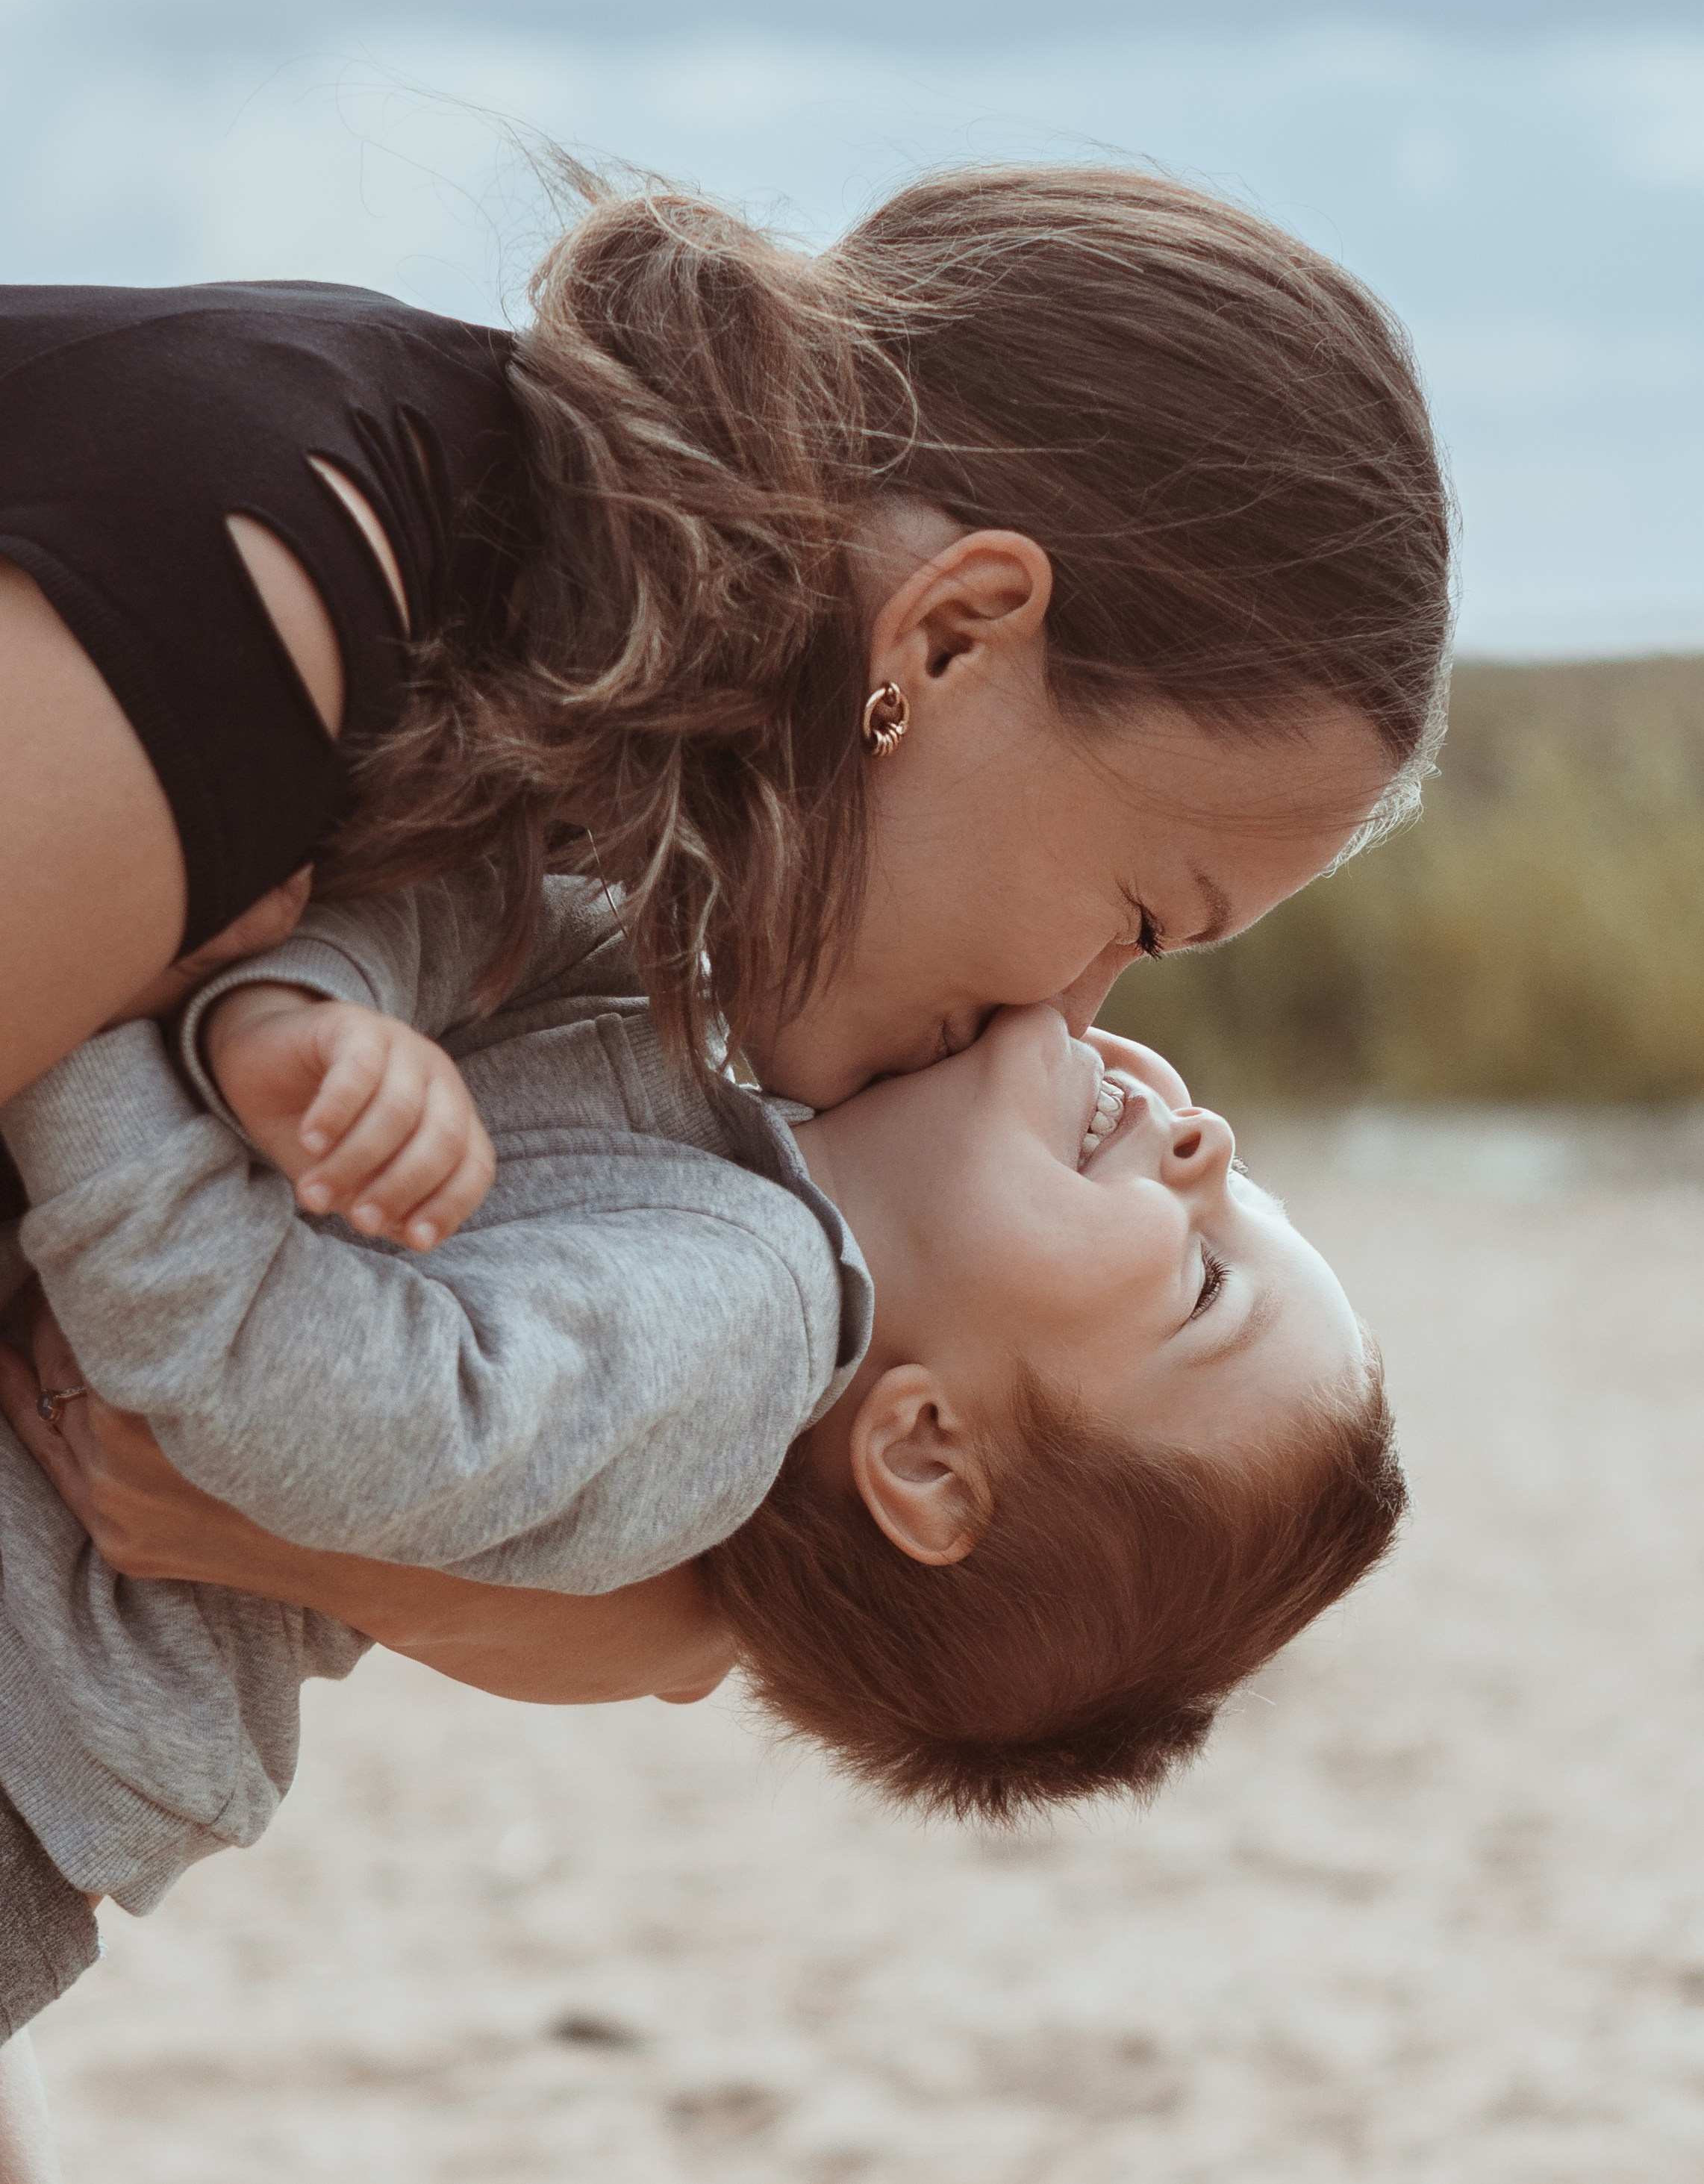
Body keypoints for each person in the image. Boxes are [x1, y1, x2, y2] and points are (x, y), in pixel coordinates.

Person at [0, 868, 1402, 2061]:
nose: (1210, 1141)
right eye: (1257, 1189)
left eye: (1213, 1284)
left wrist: (98, 979)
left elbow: (215, 1345)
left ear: (923, 1452)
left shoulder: (733, 1321)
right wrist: (280, 1000)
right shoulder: (732, 1088)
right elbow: (495, 915)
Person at [0, 164, 1453, 1125]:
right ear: (950, 639)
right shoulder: (276, 603)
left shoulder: (547, 762)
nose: (1064, 1034)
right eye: (1139, 919)